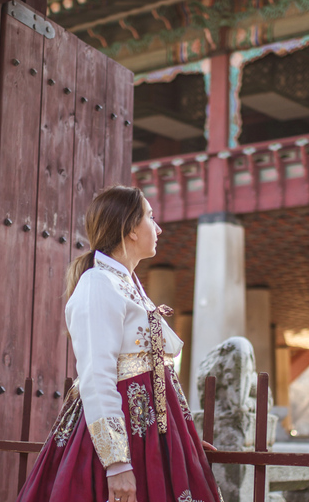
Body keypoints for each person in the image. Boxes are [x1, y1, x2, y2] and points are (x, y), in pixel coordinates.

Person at [16, 186, 222, 502]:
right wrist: (116, 464)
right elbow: (97, 377)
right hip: (125, 442)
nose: (159, 227)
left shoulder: (126, 283)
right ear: (129, 229)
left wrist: (180, 436)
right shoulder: (98, 284)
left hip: (154, 438)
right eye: (151, 217)